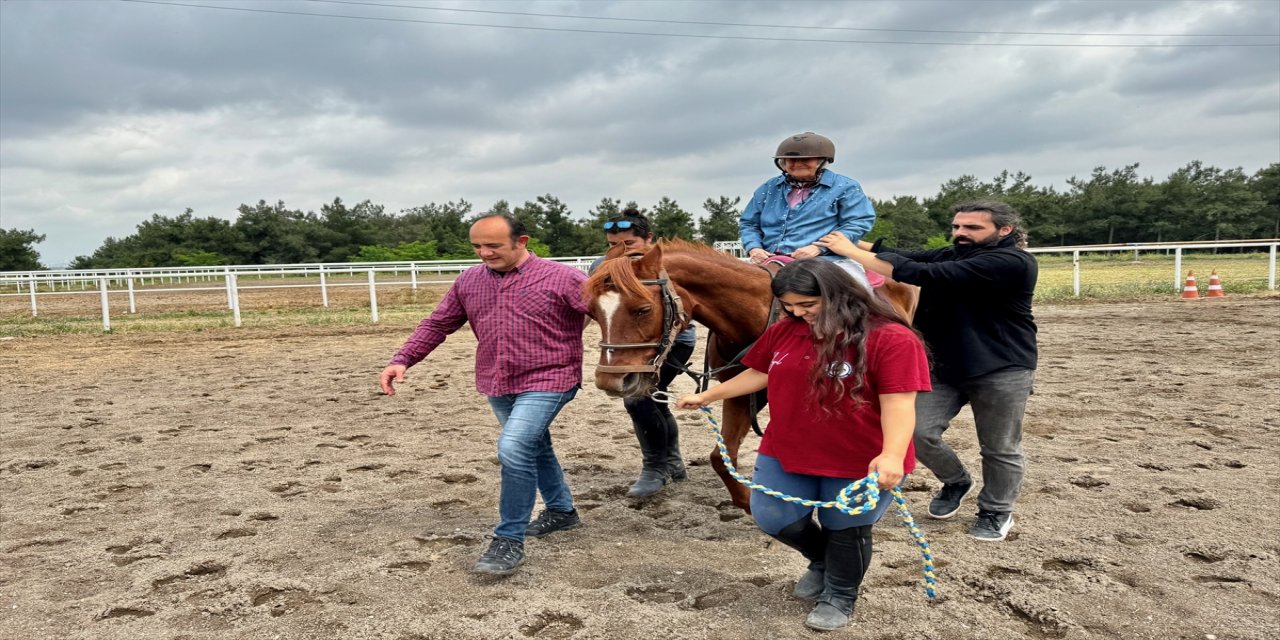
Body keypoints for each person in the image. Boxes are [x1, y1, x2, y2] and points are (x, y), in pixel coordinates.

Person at [675, 259, 930, 632]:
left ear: (839, 294)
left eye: (807, 305)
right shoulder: (785, 330)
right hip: (787, 446)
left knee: (846, 527)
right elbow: (760, 371)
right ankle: (824, 561)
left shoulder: (891, 338)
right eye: (788, 306)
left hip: (860, 455)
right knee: (772, 516)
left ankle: (840, 594)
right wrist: (708, 395)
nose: (797, 313)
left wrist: (891, 455)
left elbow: (899, 403)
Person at [379, 214, 590, 577]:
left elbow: (614, 314)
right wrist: (403, 359)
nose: (484, 253)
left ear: (521, 241)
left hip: (551, 377)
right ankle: (561, 511)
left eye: (493, 246)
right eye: (477, 246)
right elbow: (438, 323)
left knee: (514, 447)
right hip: (497, 379)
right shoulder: (469, 280)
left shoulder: (566, 278)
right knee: (534, 446)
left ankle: (509, 539)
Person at [815, 200, 1037, 542]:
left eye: (972, 227)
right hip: (941, 365)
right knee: (915, 432)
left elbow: (922, 273)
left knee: (999, 446)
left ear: (1004, 230)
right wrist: (843, 238)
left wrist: (849, 251)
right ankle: (956, 480)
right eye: (957, 226)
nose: (960, 233)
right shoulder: (952, 254)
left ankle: (996, 510)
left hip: (1001, 367)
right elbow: (902, 255)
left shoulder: (1011, 262)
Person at [590, 209, 696, 497]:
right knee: (653, 399)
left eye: (628, 244)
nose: (620, 251)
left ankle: (655, 468)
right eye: (613, 245)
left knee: (638, 397)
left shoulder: (666, 265)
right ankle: (672, 463)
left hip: (674, 343)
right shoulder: (602, 266)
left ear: (649, 238)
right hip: (629, 345)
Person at [738, 131, 877, 287]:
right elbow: (749, 223)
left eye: (805, 159)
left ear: (822, 161)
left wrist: (818, 248)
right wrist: (754, 248)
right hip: (769, 261)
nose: (797, 164)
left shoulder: (845, 187)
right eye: (791, 160)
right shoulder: (769, 187)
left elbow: (858, 222)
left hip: (827, 261)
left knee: (857, 290)